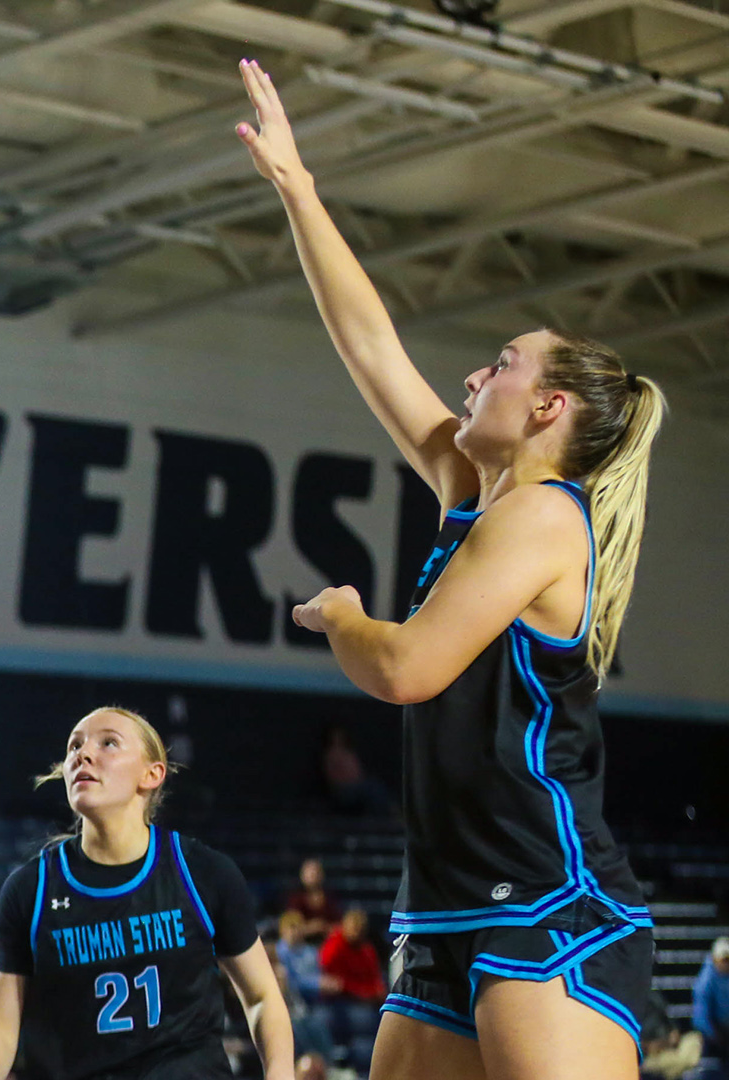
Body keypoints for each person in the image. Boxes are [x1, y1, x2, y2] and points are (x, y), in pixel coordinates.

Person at [240, 56, 665, 1080]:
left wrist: (343, 615)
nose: (475, 375)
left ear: (550, 407)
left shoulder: (544, 517)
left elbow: (404, 668)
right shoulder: (472, 494)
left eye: (502, 364)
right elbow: (371, 347)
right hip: (441, 902)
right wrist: (298, 190)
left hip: (546, 902)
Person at [0, 707, 293, 1080]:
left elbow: (263, 998)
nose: (83, 754)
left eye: (108, 743)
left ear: (151, 774)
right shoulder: (31, 889)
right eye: (75, 746)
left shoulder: (203, 872)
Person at [318, 908, 384, 1054]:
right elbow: (335, 983)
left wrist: (375, 992)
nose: (357, 932)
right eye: (354, 927)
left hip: (366, 1001)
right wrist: (363, 993)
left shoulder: (367, 949)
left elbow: (376, 980)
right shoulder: (334, 945)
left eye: (360, 928)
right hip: (340, 1001)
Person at [283, 859, 341, 943]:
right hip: (301, 944)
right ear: (302, 876)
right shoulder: (295, 898)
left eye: (316, 872)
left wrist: (324, 927)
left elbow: (338, 924)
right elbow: (289, 927)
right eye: (310, 873)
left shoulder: (330, 898)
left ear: (322, 875)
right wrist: (312, 928)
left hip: (326, 942)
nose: (313, 875)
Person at [695, 937, 729, 1079]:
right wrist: (714, 1035)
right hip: (713, 1032)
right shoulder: (705, 981)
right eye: (724, 960)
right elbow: (700, 1017)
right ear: (715, 959)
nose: (726, 964)